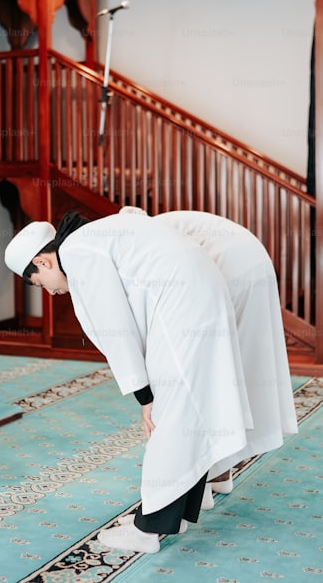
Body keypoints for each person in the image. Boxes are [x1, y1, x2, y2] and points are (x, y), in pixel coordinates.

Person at [4, 210, 252, 553]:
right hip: (199, 292)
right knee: (190, 409)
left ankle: (147, 528)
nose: (48, 292)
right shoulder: (91, 238)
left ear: (43, 262)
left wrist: (144, 396)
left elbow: (114, 325)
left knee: (172, 414)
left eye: (39, 284)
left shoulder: (76, 252)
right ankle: (177, 513)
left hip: (183, 304)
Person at [121, 206, 298, 496]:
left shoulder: (146, 242)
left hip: (232, 269)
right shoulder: (161, 229)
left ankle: (203, 479)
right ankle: (218, 476)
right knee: (234, 370)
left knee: (209, 377)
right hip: (251, 261)